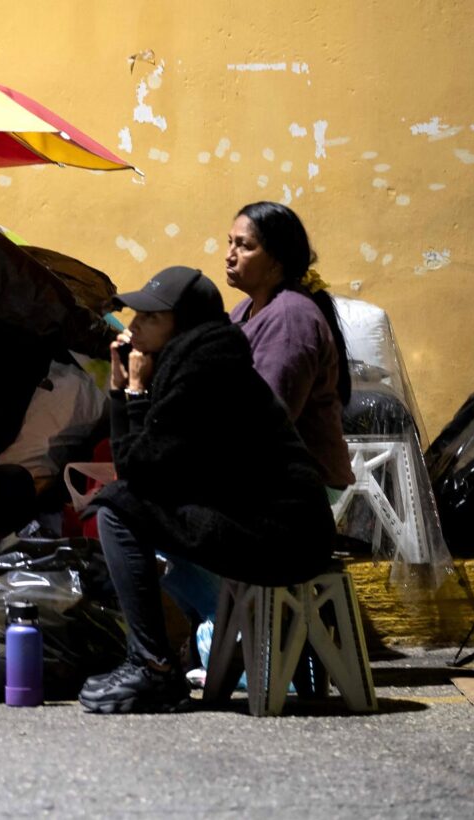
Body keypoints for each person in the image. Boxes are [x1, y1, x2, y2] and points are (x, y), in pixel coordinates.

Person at [80, 266, 336, 714]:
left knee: (117, 509)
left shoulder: (204, 372)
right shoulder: (192, 362)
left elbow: (138, 473)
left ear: (184, 324)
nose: (133, 327)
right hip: (261, 522)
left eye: (150, 318)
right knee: (126, 506)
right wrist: (123, 394)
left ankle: (153, 666)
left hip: (283, 534)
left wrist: (132, 393)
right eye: (135, 315)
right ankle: (158, 662)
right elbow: (141, 470)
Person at [226, 202, 354, 489]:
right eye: (230, 242)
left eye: (244, 246)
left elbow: (267, 422)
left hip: (301, 486)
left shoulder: (290, 320)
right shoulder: (245, 309)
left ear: (276, 260)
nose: (230, 255)